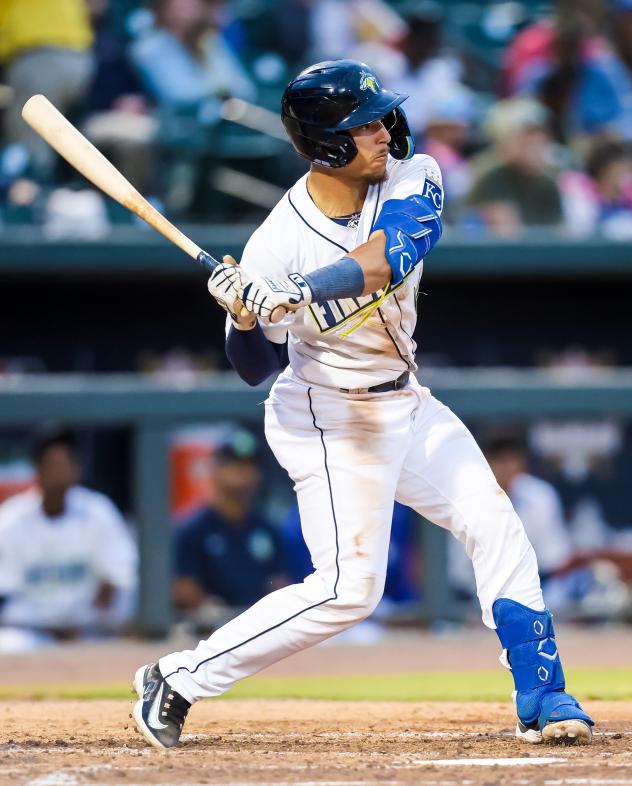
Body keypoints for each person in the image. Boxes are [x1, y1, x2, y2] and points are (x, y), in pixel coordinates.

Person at [132, 59, 593, 749]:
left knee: (494, 521)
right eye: (362, 125)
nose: (382, 133)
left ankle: (542, 692)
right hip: (328, 418)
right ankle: (178, 677)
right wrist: (249, 318)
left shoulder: (414, 175)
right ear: (324, 145)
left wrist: (302, 293)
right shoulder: (273, 245)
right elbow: (254, 370)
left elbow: (394, 253)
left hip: (405, 401)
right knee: (351, 590)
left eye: (379, 118)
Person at [0, 426, 137, 648]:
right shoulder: (11, 518)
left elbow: (122, 575)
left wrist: (107, 593)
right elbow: (5, 592)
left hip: (88, 630)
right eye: (52, 465)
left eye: (65, 464)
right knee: (8, 645)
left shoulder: (98, 510)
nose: (59, 472)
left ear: (77, 469)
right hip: (29, 632)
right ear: (38, 470)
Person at [174, 430, 289, 627]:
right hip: (206, 628)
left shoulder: (267, 528)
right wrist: (204, 606)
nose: (242, 472)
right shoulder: (193, 528)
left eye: (249, 465)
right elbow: (182, 588)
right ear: (216, 470)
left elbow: (279, 581)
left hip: (259, 625)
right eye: (233, 464)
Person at [0, 0, 95, 179]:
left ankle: (31, 196)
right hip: (79, 57)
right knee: (64, 135)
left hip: (40, 56)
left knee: (30, 139)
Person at [466, 97, 564, 236]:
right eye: (528, 143)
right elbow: (466, 223)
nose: (534, 151)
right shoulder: (492, 179)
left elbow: (558, 231)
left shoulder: (548, 185)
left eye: (540, 144)